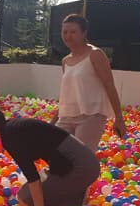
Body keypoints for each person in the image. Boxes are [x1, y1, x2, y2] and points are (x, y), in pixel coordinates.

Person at [52, 14, 126, 150]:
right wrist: (54, 120)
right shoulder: (65, 61)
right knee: (56, 155)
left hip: (91, 116)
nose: (68, 36)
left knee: (81, 158)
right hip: (66, 117)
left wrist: (119, 118)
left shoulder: (95, 54)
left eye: (73, 32)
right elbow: (67, 94)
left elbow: (109, 86)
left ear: (84, 32)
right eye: (65, 32)